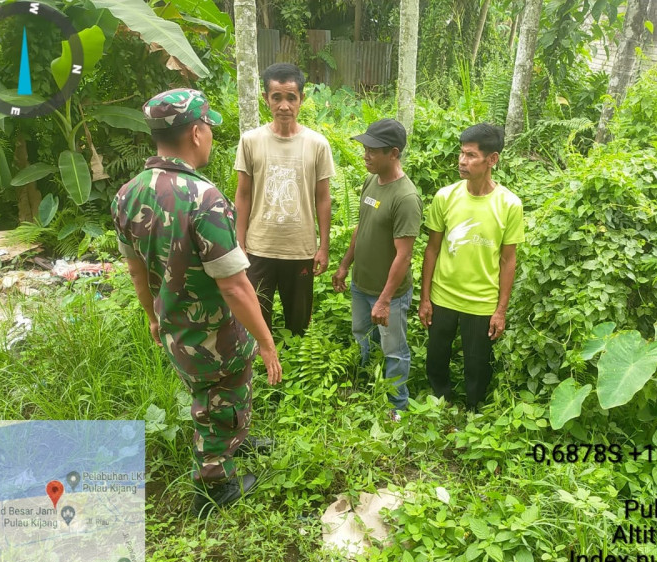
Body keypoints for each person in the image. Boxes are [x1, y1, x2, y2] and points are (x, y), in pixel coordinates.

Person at [111, 89, 282, 516]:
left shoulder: (127, 195)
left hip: (174, 325)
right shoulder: (202, 197)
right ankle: (213, 483)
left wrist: (152, 317)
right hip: (213, 332)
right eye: (208, 127)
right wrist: (265, 341)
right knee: (219, 395)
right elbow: (235, 287)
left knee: (215, 393)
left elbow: (136, 270)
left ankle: (233, 441)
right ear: (196, 132)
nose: (209, 135)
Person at [418, 123, 524, 411]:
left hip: (482, 302)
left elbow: (508, 260)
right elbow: (433, 248)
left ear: (492, 160)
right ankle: (441, 400)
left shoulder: (509, 205)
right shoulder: (445, 197)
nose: (462, 162)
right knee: (436, 356)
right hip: (443, 296)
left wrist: (500, 310)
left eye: (471, 155)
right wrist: (425, 298)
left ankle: (474, 408)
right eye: (461, 154)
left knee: (478, 364)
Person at [234, 63, 335, 335]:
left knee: (299, 322)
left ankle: (293, 369)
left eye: (291, 97)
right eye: (276, 97)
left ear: (302, 99)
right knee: (255, 319)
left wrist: (323, 247)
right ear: (266, 99)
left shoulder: (317, 144)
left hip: (300, 249)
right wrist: (239, 242)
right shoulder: (251, 141)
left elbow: (323, 198)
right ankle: (262, 366)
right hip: (258, 248)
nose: (284, 105)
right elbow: (243, 194)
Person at [332, 119, 423, 421]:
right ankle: (367, 385)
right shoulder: (372, 181)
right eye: (365, 149)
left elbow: (404, 256)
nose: (365, 156)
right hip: (362, 284)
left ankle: (397, 406)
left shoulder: (406, 198)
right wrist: (345, 265)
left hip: (389, 294)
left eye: (372, 151)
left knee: (394, 349)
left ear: (393, 153)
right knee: (362, 335)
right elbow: (362, 226)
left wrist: (385, 299)